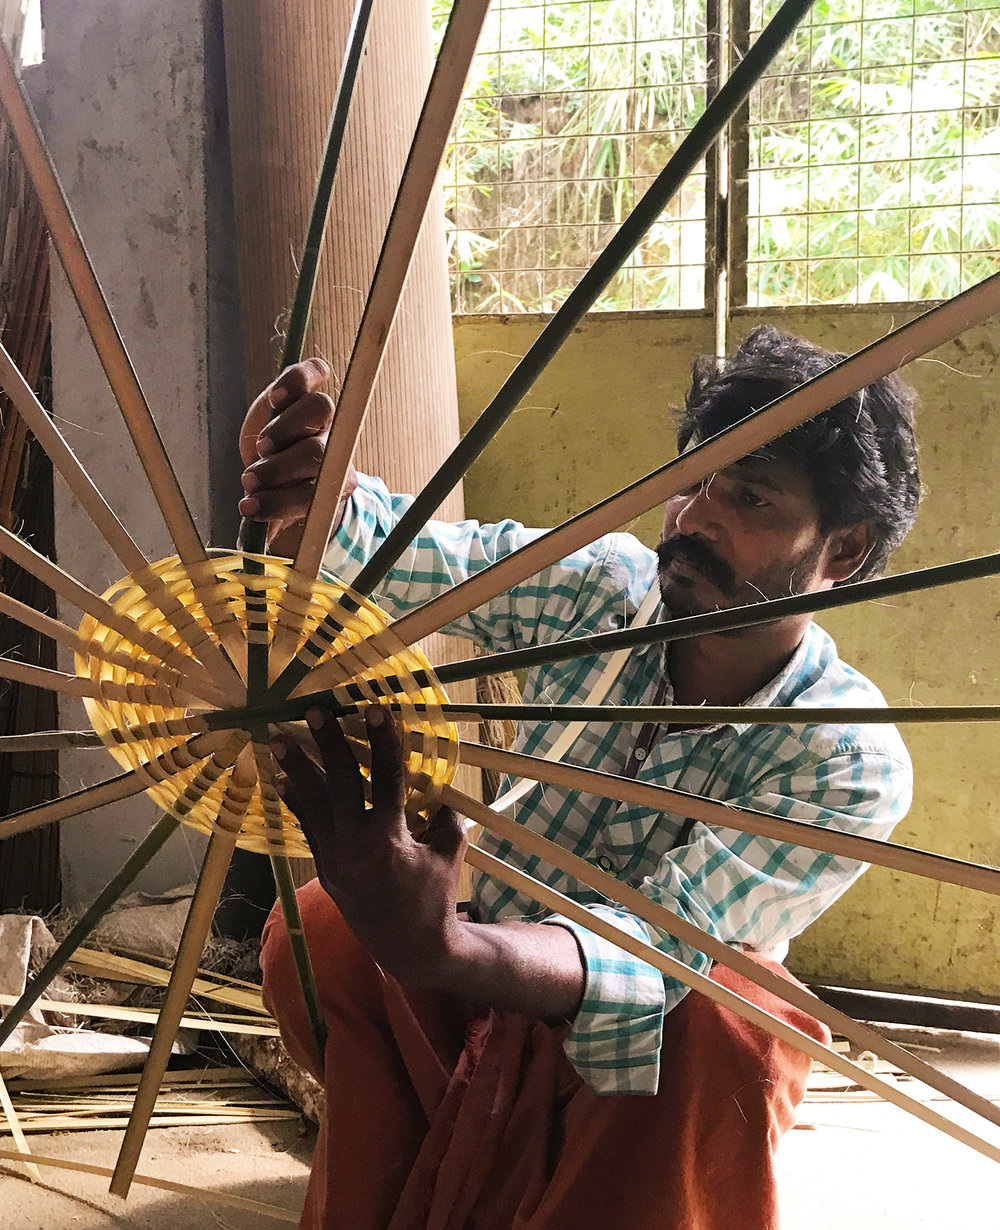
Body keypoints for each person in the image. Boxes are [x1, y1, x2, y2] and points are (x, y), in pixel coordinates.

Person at [240, 326, 921, 1229]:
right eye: (691, 480)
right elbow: (413, 558)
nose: (692, 519)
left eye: (748, 499)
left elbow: (663, 947)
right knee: (318, 934)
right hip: (496, 962)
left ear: (841, 552)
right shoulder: (603, 588)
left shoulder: (844, 756)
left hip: (638, 1043)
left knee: (735, 1021)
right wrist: (312, 499)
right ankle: (420, 1190)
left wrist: (441, 947)